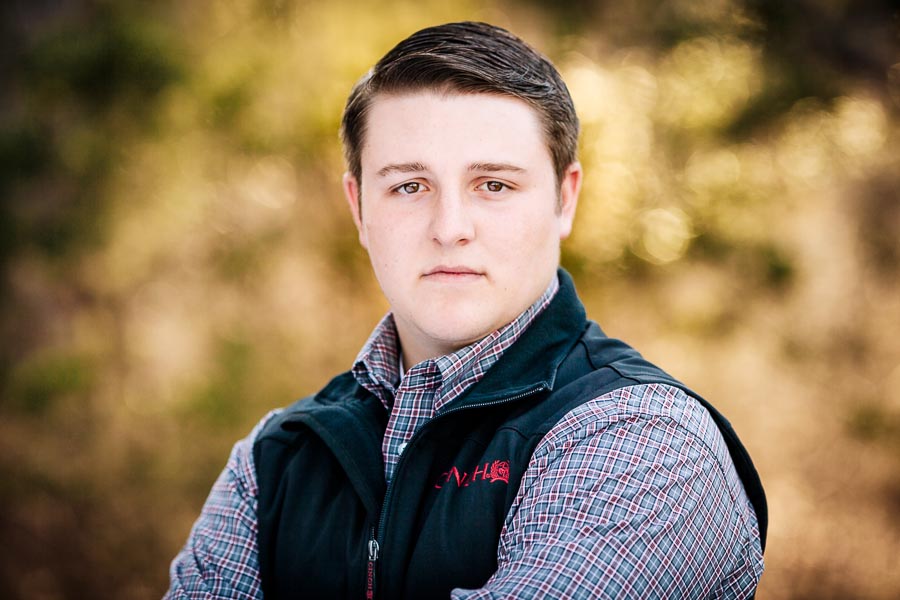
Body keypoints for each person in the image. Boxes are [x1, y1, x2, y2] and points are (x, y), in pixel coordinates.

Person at [165, 21, 767, 599]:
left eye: (494, 185)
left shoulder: (646, 445)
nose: (450, 228)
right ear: (359, 209)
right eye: (409, 186)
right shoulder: (275, 461)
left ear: (565, 198)